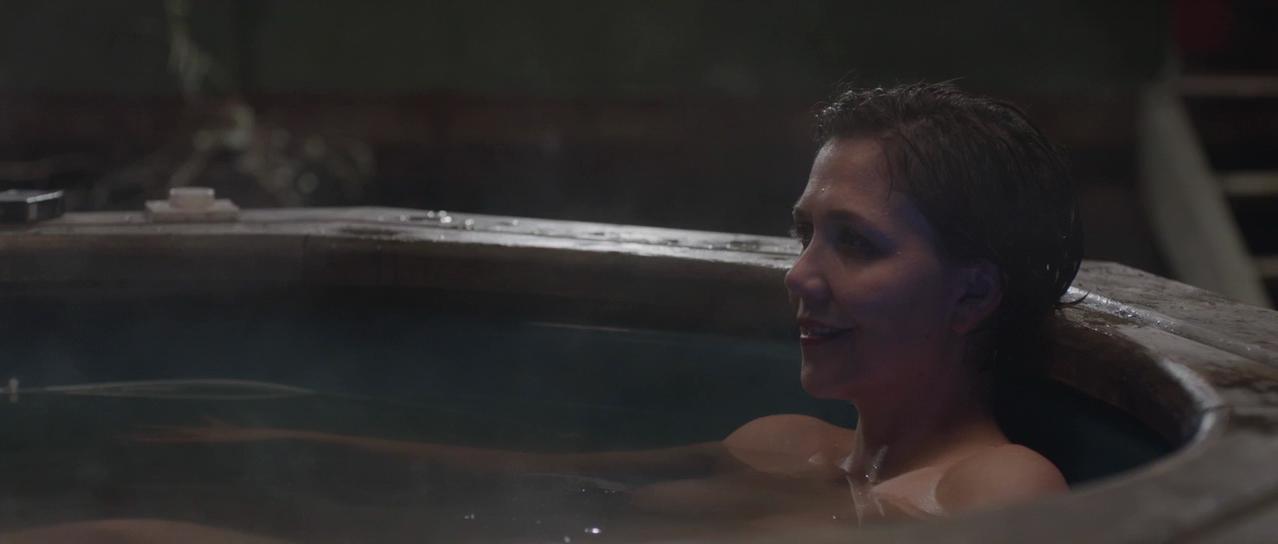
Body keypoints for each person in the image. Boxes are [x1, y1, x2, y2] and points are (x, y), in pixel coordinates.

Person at [5, 82, 1081, 541]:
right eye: (804, 232)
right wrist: (290, 441)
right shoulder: (788, 447)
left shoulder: (998, 486)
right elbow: (534, 477)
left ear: (972, 293)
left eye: (855, 243)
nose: (801, 275)